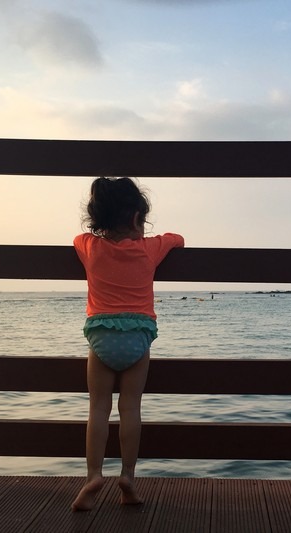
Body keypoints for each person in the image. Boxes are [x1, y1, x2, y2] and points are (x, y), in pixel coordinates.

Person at [71, 177, 184, 512]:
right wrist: (149, 237)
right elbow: (178, 239)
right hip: (138, 338)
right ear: (137, 220)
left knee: (98, 409)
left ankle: (93, 474)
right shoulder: (150, 249)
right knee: (131, 408)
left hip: (102, 336)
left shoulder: (90, 247)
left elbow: (77, 238)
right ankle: (128, 478)